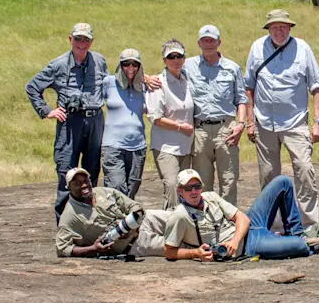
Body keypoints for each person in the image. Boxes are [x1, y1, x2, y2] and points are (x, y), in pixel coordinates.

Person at [244, 9, 319, 226]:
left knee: (304, 169)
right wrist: (250, 122)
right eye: (275, 27)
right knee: (268, 175)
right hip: (264, 123)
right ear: (268, 29)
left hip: (295, 121)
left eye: (283, 27)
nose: (279, 31)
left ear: (290, 28)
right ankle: (273, 222)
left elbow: (316, 87)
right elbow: (248, 87)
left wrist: (317, 122)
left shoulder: (302, 49)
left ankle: (309, 224)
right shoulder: (257, 48)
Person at [25, 22, 108, 223]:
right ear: (70, 39)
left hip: (95, 120)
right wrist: (47, 111)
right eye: (78, 39)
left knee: (92, 172)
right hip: (70, 123)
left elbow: (110, 84)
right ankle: (64, 227)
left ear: (91, 41)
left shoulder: (99, 61)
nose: (82, 43)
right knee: (66, 172)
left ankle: (90, 224)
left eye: (86, 39)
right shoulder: (58, 64)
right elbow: (32, 87)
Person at [163, 169, 319, 261]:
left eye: (197, 186)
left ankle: (295, 233)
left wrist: (234, 239)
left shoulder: (210, 196)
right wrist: (196, 253)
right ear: (179, 191)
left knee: (283, 181)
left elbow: (242, 218)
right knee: (299, 246)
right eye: (188, 188)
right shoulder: (179, 216)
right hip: (250, 244)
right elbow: (169, 251)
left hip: (249, 224)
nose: (194, 191)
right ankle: (303, 242)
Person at [184, 25, 247, 205]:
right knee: (202, 182)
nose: (209, 44)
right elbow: (167, 76)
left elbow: (241, 99)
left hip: (226, 129)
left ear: (219, 42)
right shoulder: (188, 66)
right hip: (200, 130)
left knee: (229, 179)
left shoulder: (232, 68)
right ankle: (207, 222)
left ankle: (228, 222)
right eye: (205, 40)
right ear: (198, 43)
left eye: (212, 40)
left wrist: (241, 124)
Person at [55, 167, 172, 258]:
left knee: (177, 218)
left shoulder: (103, 192)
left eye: (85, 180)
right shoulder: (69, 216)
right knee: (177, 246)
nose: (84, 185)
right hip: (135, 244)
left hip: (144, 221)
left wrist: (130, 221)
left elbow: (134, 205)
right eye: (77, 184)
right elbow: (62, 248)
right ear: (69, 188)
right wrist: (93, 248)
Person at [146, 39, 194, 210]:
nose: (175, 60)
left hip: (186, 146)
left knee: (185, 187)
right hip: (165, 146)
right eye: (171, 57)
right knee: (172, 185)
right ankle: (169, 224)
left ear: (184, 58)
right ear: (164, 60)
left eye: (179, 56)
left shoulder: (187, 80)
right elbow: (155, 117)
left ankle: (184, 224)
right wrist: (180, 127)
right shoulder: (158, 83)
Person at [101, 48, 147, 199]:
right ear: (120, 66)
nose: (131, 68)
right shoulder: (108, 82)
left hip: (138, 146)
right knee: (116, 187)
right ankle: (116, 221)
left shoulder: (145, 86)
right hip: (113, 145)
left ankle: (127, 221)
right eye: (126, 64)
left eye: (135, 64)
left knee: (132, 188)